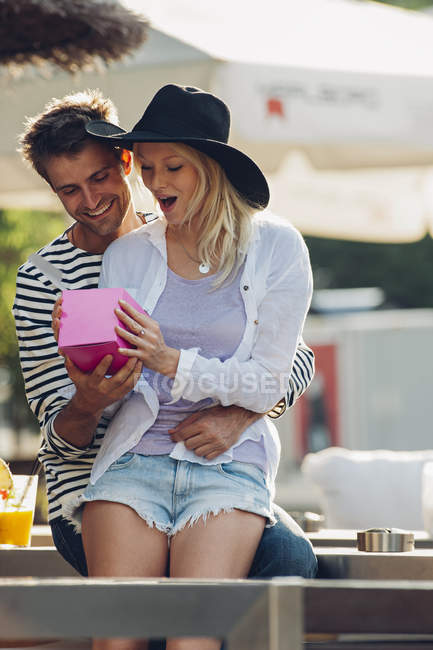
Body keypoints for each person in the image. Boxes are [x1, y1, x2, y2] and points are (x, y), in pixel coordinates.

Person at [13, 89, 316, 648]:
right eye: (69, 190)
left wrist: (236, 418)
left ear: (125, 163)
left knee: (287, 564)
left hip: (217, 460)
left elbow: (294, 362)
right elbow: (59, 432)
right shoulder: (43, 281)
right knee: (144, 617)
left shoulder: (198, 220)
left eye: (101, 177)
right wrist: (91, 395)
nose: (90, 199)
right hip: (97, 483)